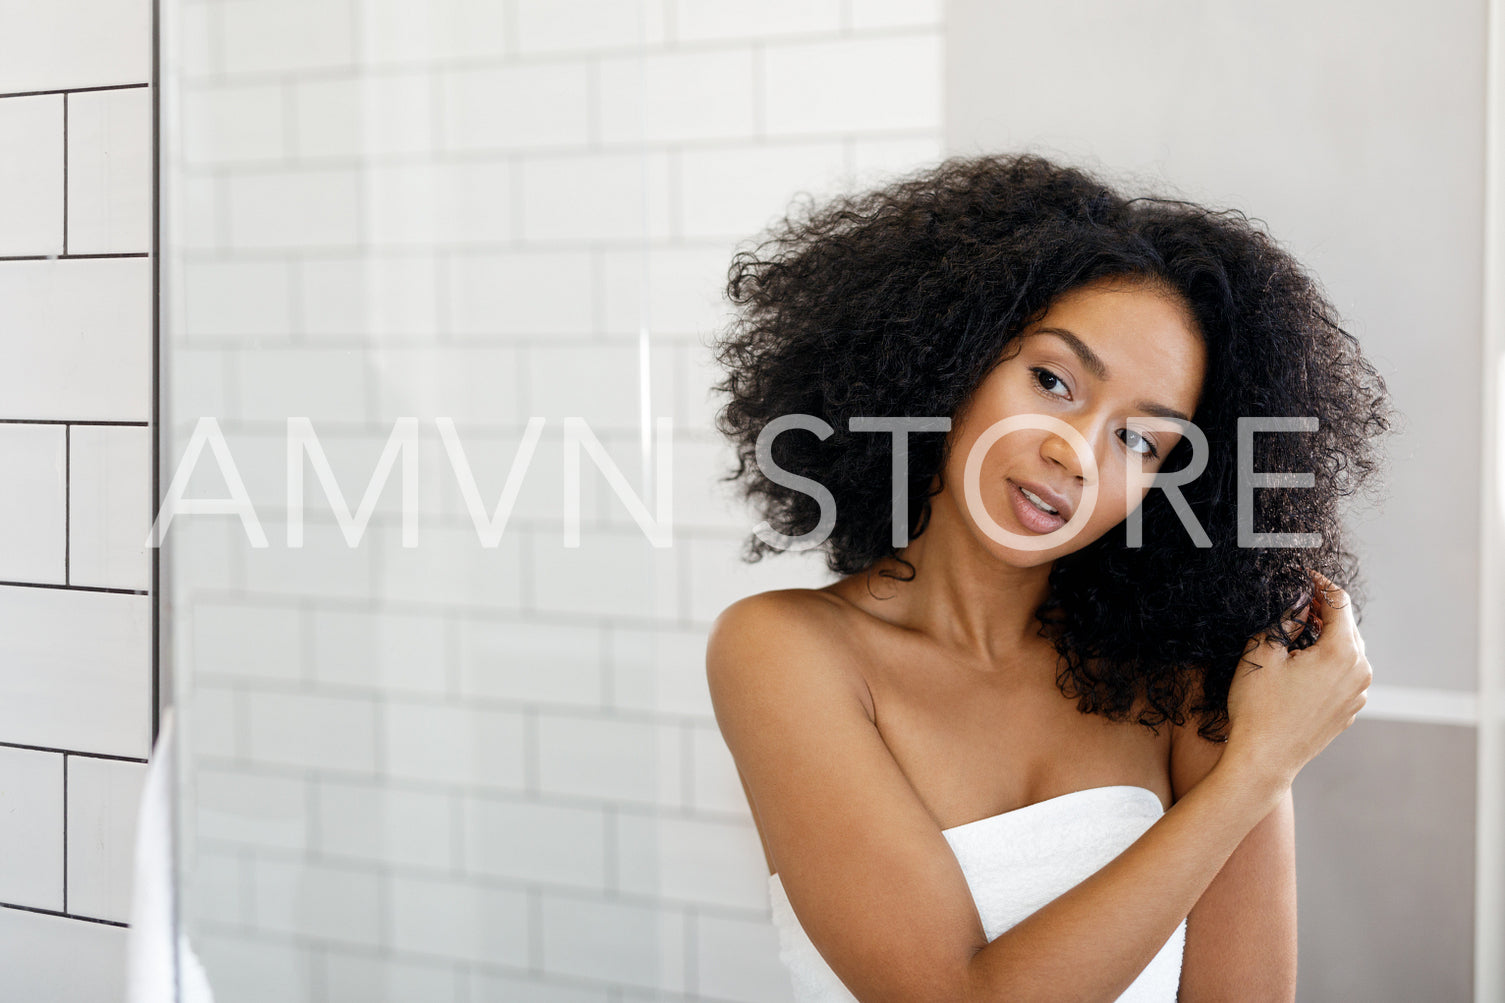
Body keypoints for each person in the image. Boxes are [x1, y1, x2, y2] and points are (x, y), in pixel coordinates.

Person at [703, 153, 1392, 1001]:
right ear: (948, 355)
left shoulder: (1185, 685)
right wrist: (1255, 772)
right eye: (1053, 381)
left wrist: (1255, 758)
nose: (1075, 453)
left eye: (1140, 440)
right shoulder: (785, 651)